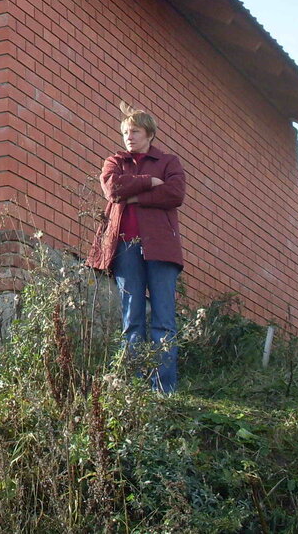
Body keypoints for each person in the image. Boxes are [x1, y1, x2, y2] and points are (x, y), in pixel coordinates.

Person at [87, 104, 186, 392]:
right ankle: (134, 387)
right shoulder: (114, 161)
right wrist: (148, 182)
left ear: (149, 134)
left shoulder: (169, 162)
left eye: (135, 132)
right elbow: (112, 189)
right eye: (125, 132)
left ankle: (163, 388)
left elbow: (175, 193)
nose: (129, 137)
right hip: (124, 246)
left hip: (161, 247)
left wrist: (136, 198)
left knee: (164, 319)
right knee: (132, 319)